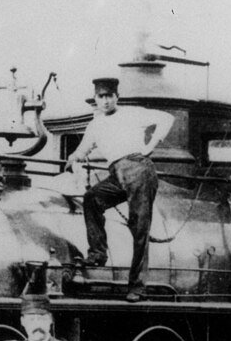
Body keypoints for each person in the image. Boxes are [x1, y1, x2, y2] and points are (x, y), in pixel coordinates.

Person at [66, 77, 175, 302]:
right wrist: (73, 158)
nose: (105, 101)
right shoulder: (95, 125)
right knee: (92, 198)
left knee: (139, 228)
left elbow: (167, 118)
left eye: (109, 96)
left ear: (117, 97)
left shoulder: (132, 113)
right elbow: (83, 149)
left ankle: (137, 288)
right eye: (101, 97)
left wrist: (150, 146)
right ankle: (98, 253)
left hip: (138, 169)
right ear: (96, 99)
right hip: (116, 174)